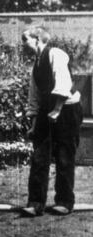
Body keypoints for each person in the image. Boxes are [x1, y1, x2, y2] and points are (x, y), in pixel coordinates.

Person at [21, 25, 83, 217]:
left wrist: (56, 110)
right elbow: (35, 96)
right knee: (39, 155)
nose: (23, 44)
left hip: (66, 109)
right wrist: (33, 125)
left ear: (38, 39)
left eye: (25, 39)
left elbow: (63, 83)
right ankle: (35, 203)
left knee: (64, 156)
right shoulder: (36, 65)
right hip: (47, 110)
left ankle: (65, 201)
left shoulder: (56, 54)